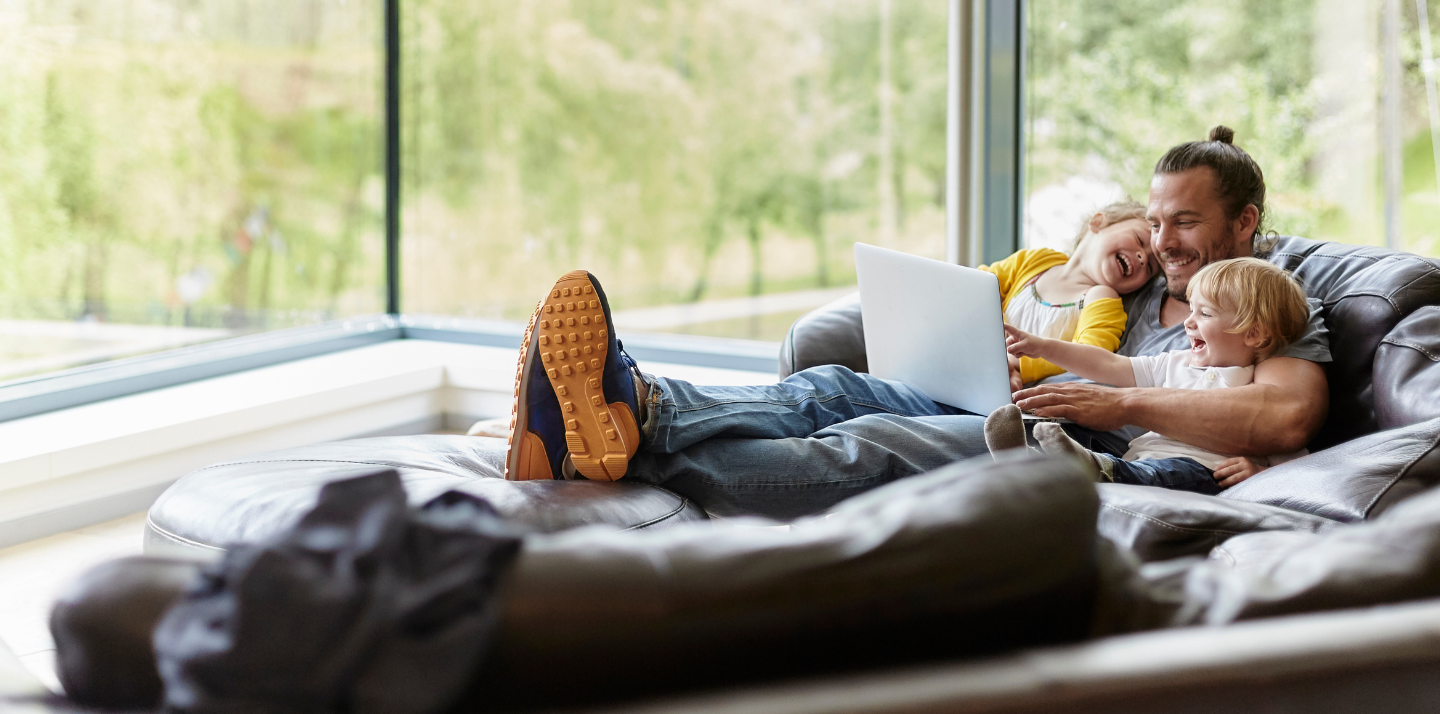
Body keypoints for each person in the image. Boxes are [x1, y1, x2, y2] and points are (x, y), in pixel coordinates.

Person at [503, 125, 1332, 519]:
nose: (1161, 242)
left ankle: (605, 448)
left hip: (1083, 444)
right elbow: (1059, 307)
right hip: (1033, 405)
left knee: (873, 448)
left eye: (1184, 224)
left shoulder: (1270, 295)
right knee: (832, 386)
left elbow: (1287, 413)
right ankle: (642, 409)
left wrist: (1115, 406)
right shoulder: (1138, 272)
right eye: (1155, 221)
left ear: (1245, 221)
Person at [987, 257, 1311, 494]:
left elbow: (1300, 463)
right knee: (1122, 461)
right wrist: (1043, 346)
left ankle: (1073, 468)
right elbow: (1109, 365)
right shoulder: (1175, 363)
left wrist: (1260, 470)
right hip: (1137, 460)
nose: (1189, 322)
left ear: (1253, 334)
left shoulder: (1257, 387)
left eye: (1205, 313)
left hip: (1201, 474)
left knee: (1169, 472)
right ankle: (1030, 463)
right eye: (1192, 310)